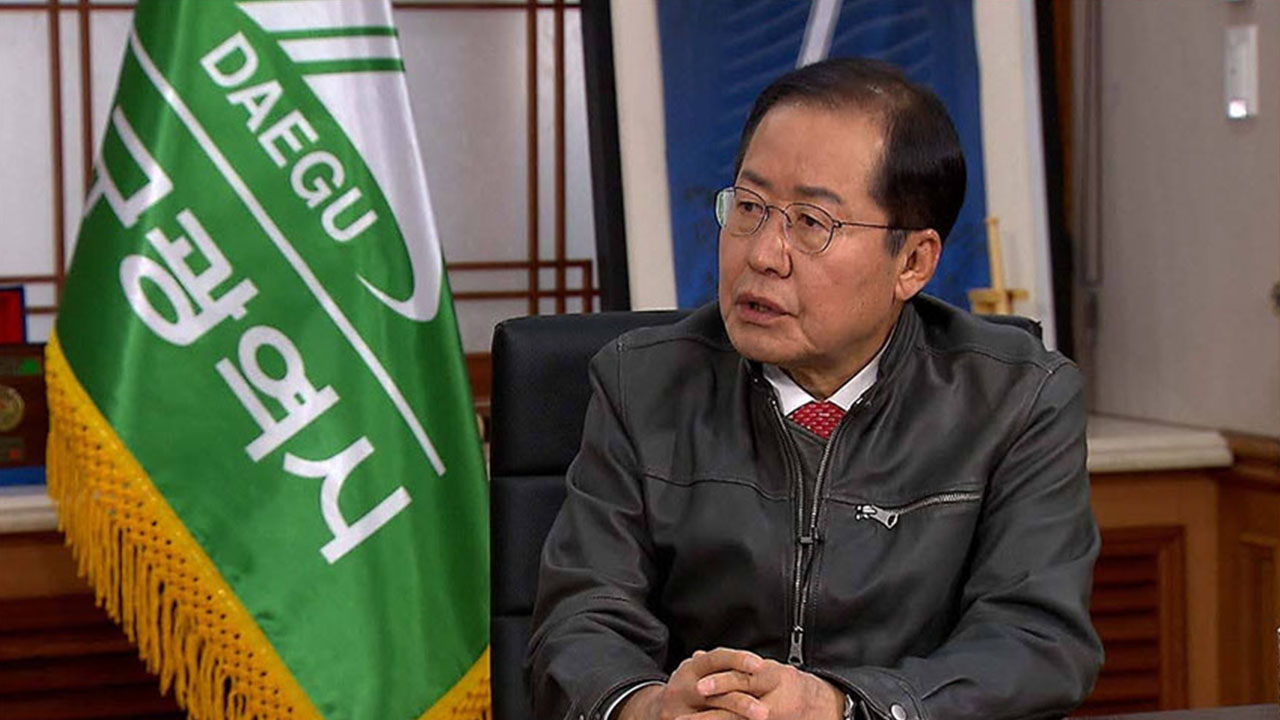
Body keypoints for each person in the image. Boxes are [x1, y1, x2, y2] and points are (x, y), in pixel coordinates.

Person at [526, 57, 1102, 720]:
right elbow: (581, 620)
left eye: (811, 222)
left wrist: (842, 706)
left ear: (913, 262)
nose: (762, 253)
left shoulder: (1018, 400)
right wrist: (649, 708)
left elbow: (1035, 643)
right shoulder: (642, 383)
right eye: (749, 207)